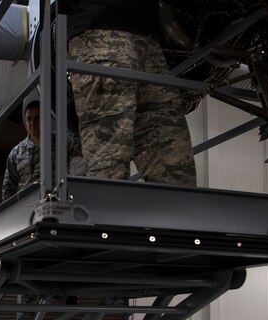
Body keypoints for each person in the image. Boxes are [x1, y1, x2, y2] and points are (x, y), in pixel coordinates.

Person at [59, 0, 196, 187]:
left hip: (149, 36)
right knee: (109, 158)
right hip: (100, 28)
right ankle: (106, 212)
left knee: (174, 159)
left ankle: (180, 214)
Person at [1, 99, 86, 201]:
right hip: (26, 206)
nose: (33, 122)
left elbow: (84, 158)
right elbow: (8, 187)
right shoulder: (16, 152)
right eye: (29, 119)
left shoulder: (64, 141)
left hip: (57, 202)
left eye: (37, 118)